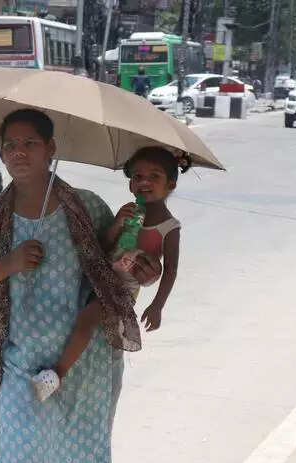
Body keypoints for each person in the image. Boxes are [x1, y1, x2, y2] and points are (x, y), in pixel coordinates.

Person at [0, 108, 161, 463]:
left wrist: (145, 273)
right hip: (21, 370)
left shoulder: (86, 207)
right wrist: (4, 266)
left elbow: (113, 273)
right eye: (10, 145)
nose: (19, 153)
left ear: (51, 149)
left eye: (30, 143)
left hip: (89, 366)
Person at [32, 146, 185, 402]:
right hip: (99, 273)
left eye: (154, 177)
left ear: (170, 185)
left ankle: (55, 376)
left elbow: (170, 270)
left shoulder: (169, 228)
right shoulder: (130, 214)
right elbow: (102, 248)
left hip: (120, 288)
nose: (144, 182)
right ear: (130, 185)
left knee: (87, 320)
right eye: (137, 177)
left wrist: (158, 305)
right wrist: (116, 225)